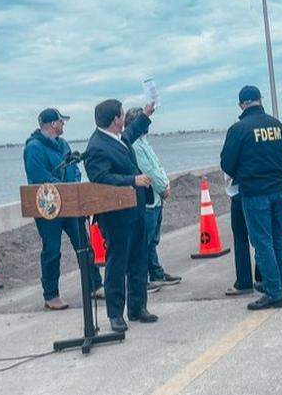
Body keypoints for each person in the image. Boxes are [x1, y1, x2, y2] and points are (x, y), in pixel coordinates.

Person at [83, 99, 158, 333]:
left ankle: (137, 307)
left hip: (135, 208)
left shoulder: (117, 137)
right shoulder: (96, 146)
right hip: (116, 215)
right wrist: (132, 180)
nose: (124, 118)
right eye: (122, 114)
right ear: (116, 119)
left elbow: (131, 133)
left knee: (139, 258)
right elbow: (101, 177)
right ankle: (115, 313)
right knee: (117, 262)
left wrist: (146, 114)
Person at [22, 108, 103, 311]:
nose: (63, 124)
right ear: (52, 124)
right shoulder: (33, 148)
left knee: (83, 245)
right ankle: (51, 295)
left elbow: (74, 169)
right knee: (52, 250)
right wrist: (65, 190)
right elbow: (40, 177)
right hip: (48, 208)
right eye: (61, 121)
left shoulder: (63, 144)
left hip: (70, 204)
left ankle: (94, 285)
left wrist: (73, 187)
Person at [219, 85, 282, 310]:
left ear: (242, 105)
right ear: (260, 100)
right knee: (278, 239)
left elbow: (227, 163)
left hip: (255, 191)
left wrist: (243, 172)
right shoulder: (277, 125)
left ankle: (273, 292)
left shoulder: (238, 129)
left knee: (262, 242)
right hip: (279, 188)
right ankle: (276, 283)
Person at [123, 106, 182, 289]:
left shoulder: (143, 142)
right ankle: (143, 279)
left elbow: (157, 165)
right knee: (144, 241)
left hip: (156, 197)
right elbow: (148, 170)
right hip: (148, 199)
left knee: (151, 241)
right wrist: (162, 187)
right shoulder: (135, 145)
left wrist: (165, 184)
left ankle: (156, 272)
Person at [224, 177, 263, 296]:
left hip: (240, 189)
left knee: (240, 237)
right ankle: (262, 276)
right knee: (261, 235)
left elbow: (228, 167)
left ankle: (244, 281)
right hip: (261, 188)